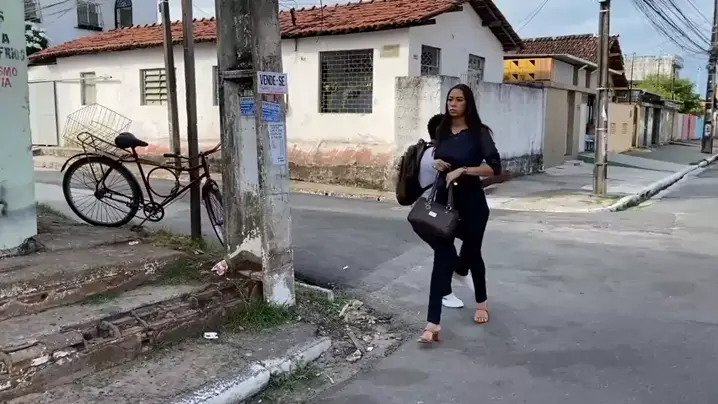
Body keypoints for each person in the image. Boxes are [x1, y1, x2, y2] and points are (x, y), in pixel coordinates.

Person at [418, 84, 502, 344]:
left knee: (473, 253)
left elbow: (494, 167)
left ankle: (481, 303)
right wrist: (436, 163)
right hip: (444, 201)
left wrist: (464, 169)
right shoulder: (442, 130)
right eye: (450, 100)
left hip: (472, 203)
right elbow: (436, 155)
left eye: (459, 100)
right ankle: (432, 324)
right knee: (442, 257)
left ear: (468, 104)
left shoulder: (479, 132)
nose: (452, 104)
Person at [418, 113, 474, 309]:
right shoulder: (437, 155)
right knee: (445, 251)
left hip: (430, 211)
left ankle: (457, 274)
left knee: (451, 246)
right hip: (432, 213)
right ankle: (446, 291)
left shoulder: (427, 150)